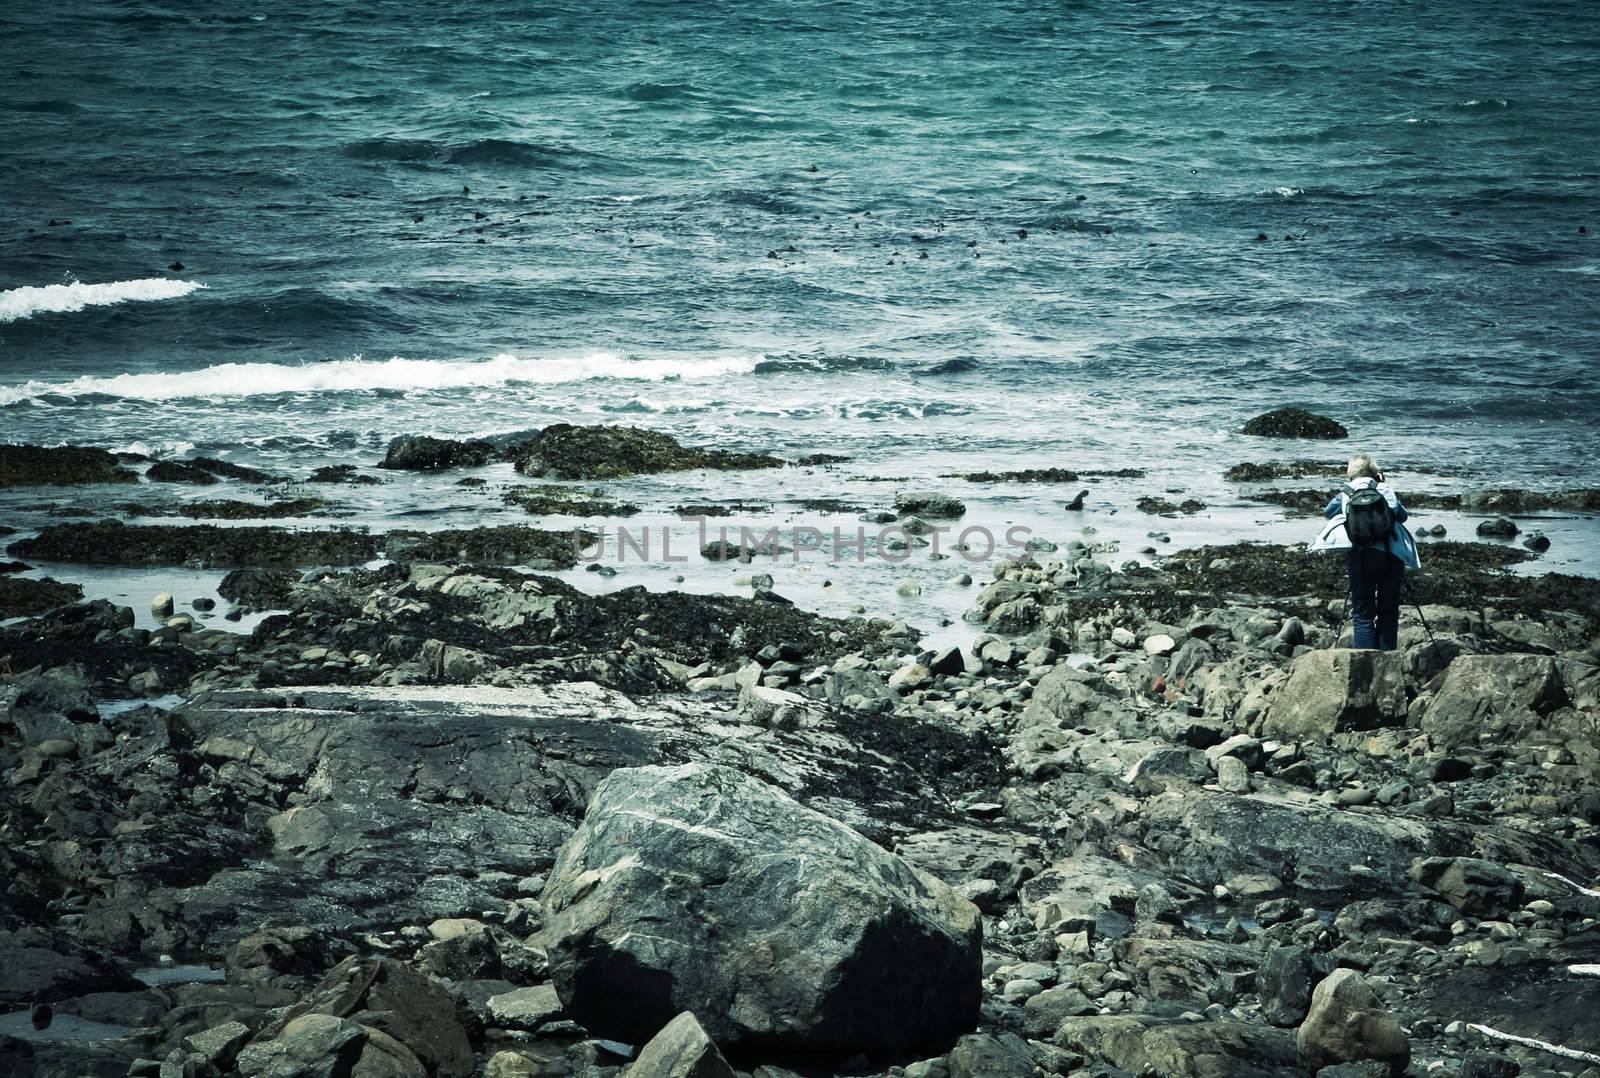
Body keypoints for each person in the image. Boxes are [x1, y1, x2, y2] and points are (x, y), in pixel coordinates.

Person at [1312, 455, 1420, 650]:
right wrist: (1382, 484)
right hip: (1391, 555)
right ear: (1375, 473)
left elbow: (1328, 512)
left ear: (1351, 473)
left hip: (1360, 556)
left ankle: (1364, 662)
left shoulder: (1346, 491)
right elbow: (1402, 516)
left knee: (1363, 614)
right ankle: (1387, 660)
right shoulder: (1385, 489)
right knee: (1388, 611)